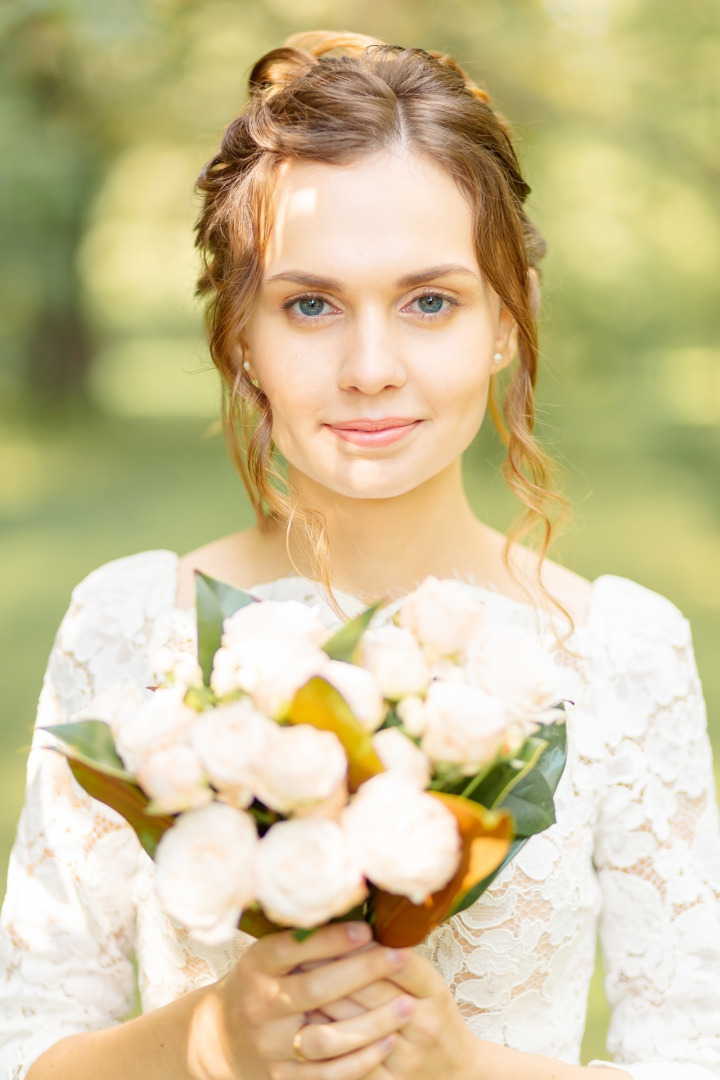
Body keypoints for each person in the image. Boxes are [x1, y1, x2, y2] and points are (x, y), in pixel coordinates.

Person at [1, 29, 719, 1080]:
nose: (371, 368)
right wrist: (208, 1041)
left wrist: (464, 1068)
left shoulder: (623, 650)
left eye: (431, 301)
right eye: (310, 305)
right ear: (241, 331)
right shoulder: (129, 624)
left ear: (505, 322)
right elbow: (29, 1052)